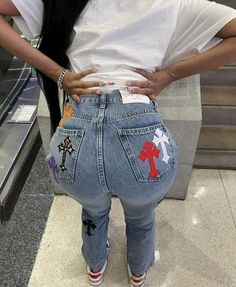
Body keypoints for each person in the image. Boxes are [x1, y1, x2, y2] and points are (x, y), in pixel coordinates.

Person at [1, 1, 236, 286]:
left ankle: (95, 266)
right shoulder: (173, 4)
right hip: (142, 136)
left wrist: (58, 74)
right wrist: (169, 75)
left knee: (93, 210)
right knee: (141, 215)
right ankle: (138, 272)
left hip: (75, 141)